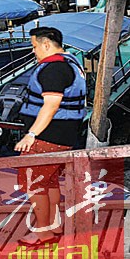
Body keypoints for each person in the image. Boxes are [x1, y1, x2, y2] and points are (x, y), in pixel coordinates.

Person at [13, 26, 87, 246]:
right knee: (49, 181)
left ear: (46, 44)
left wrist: (31, 134)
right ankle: (55, 225)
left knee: (32, 183)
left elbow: (52, 105)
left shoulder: (53, 68)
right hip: (65, 135)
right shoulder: (70, 62)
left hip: (48, 136)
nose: (34, 52)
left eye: (34, 47)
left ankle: (43, 232)